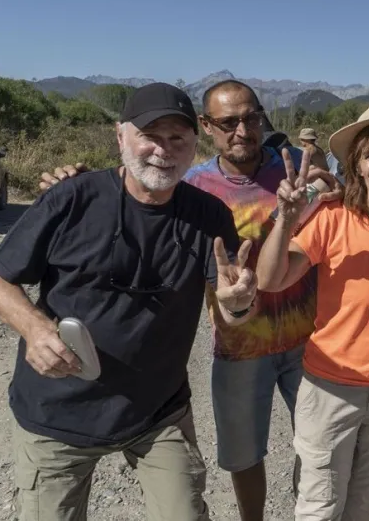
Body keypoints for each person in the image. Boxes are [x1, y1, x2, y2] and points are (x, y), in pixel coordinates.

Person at [35, 79, 341, 521]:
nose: (242, 130)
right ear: (206, 126)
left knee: (314, 448)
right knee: (244, 454)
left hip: (308, 343)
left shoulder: (294, 171)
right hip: (239, 347)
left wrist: (337, 186)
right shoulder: (191, 187)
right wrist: (75, 187)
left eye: (251, 118)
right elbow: (133, 193)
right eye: (228, 122)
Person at [0, 82, 258, 521]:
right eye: (151, 136)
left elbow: (234, 314)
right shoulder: (71, 198)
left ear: (193, 146)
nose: (163, 150)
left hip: (157, 414)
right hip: (57, 414)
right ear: (121, 135)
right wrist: (33, 328)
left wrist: (237, 303)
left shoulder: (209, 216)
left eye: (177, 139)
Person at [256, 104, 369, 520]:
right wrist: (285, 219)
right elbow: (271, 280)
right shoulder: (333, 218)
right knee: (319, 506)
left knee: (363, 504)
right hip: (330, 387)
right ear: (356, 166)